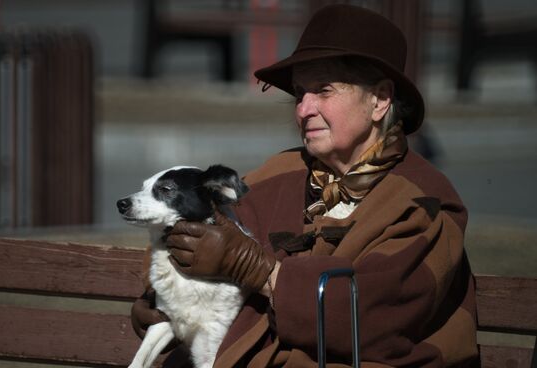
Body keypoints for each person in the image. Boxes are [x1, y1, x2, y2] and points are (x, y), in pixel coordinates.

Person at [131, 4, 478, 367]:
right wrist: (163, 297)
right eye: (300, 94)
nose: (303, 109)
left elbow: (368, 320)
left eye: (323, 91)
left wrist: (257, 270)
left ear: (380, 100)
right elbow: (198, 229)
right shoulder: (281, 171)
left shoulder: (424, 202)